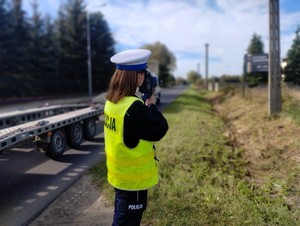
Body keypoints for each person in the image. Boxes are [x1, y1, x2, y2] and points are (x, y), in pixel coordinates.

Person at [104, 49, 169, 226]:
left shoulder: (111, 102)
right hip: (133, 181)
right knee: (127, 222)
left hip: (119, 177)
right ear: (137, 77)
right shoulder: (134, 108)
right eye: (143, 73)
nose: (145, 78)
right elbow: (160, 129)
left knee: (121, 216)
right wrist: (151, 105)